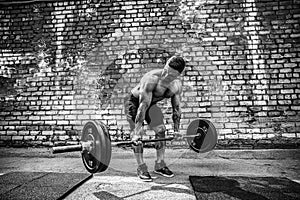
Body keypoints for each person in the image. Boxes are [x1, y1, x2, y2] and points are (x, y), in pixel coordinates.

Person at [124, 56, 186, 182]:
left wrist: (176, 130)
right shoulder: (151, 79)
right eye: (165, 70)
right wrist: (136, 132)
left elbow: (176, 109)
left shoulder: (176, 86)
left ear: (178, 75)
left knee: (161, 130)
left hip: (150, 104)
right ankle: (141, 167)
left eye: (170, 75)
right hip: (135, 103)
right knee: (138, 137)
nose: (165, 75)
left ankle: (159, 164)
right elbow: (142, 107)